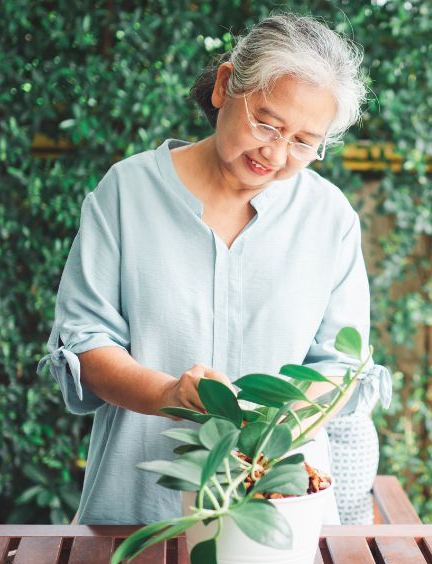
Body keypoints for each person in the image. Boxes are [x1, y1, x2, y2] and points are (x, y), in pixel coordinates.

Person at [37, 13, 391, 526]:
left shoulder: (329, 218)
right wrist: (168, 395)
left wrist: (269, 428)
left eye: (303, 141)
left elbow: (339, 365)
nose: (275, 152)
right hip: (140, 508)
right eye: (267, 123)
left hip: (280, 513)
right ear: (226, 86)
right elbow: (86, 344)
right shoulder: (127, 192)